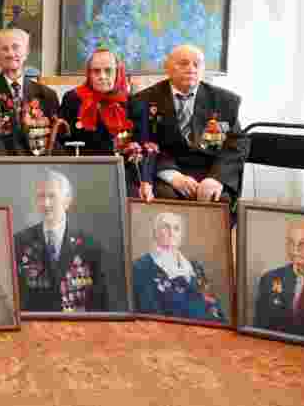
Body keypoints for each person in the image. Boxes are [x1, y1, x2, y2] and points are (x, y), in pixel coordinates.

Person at [134, 44, 245, 204]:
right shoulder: (144, 100)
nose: (191, 69)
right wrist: (172, 176)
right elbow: (144, 143)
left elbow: (237, 144)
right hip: (168, 171)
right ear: (168, 68)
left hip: (210, 170)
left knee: (219, 201)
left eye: (197, 64)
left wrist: (216, 178)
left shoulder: (224, 101)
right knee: (165, 199)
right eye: (183, 63)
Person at [59, 48, 154, 201]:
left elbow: (144, 146)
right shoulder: (73, 99)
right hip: (81, 171)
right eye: (96, 71)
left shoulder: (135, 104)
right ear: (88, 74)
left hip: (122, 173)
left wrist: (146, 181)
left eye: (108, 71)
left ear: (118, 72)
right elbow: (61, 143)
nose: (102, 76)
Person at [14, 169, 107, 313]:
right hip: (35, 325)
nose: (45, 203)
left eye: (52, 196)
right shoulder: (19, 242)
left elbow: (100, 302)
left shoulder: (89, 246)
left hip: (77, 327)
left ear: (67, 201)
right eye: (41, 196)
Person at [0, 28, 59, 155]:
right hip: (0, 166)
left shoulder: (47, 94)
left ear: (26, 52)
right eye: (4, 49)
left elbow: (54, 142)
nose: (11, 54)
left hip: (39, 167)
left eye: (16, 47)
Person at [132, 212, 225, 322]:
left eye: (176, 228)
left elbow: (214, 308)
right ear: (155, 233)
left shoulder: (195, 267)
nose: (171, 233)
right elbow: (149, 314)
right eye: (166, 227)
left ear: (181, 235)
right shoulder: (141, 267)